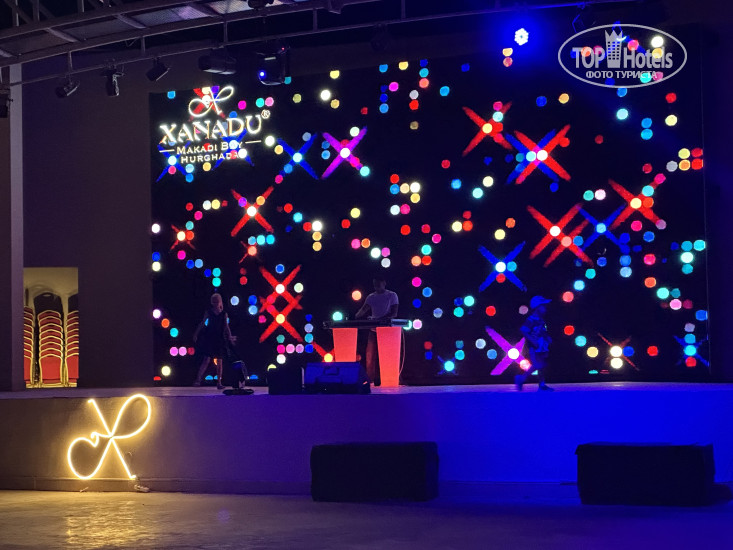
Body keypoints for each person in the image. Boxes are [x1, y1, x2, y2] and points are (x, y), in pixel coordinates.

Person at [355, 275, 399, 386]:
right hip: (373, 330)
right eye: (375, 285)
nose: (376, 287)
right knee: (370, 356)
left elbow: (394, 313)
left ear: (384, 283)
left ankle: (388, 379)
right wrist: (355, 317)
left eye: (378, 285)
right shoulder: (371, 297)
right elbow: (363, 310)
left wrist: (378, 320)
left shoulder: (392, 295)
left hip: (387, 331)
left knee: (387, 356)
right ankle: (370, 381)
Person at [193, 293, 236, 389]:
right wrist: (196, 333)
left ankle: (219, 382)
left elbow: (226, 327)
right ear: (212, 302)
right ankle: (198, 380)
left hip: (219, 339)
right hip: (210, 338)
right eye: (214, 302)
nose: (216, 303)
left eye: (217, 301)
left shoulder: (224, 314)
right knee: (206, 360)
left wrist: (230, 337)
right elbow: (202, 323)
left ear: (220, 302)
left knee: (219, 361)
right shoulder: (209, 312)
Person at [515, 295, 553, 391]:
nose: (545, 308)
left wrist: (547, 338)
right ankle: (521, 378)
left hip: (542, 346)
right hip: (534, 347)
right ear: (537, 307)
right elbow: (523, 330)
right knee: (538, 364)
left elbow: (543, 331)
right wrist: (533, 341)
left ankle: (542, 384)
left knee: (542, 365)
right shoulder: (531, 319)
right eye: (543, 306)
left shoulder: (541, 320)